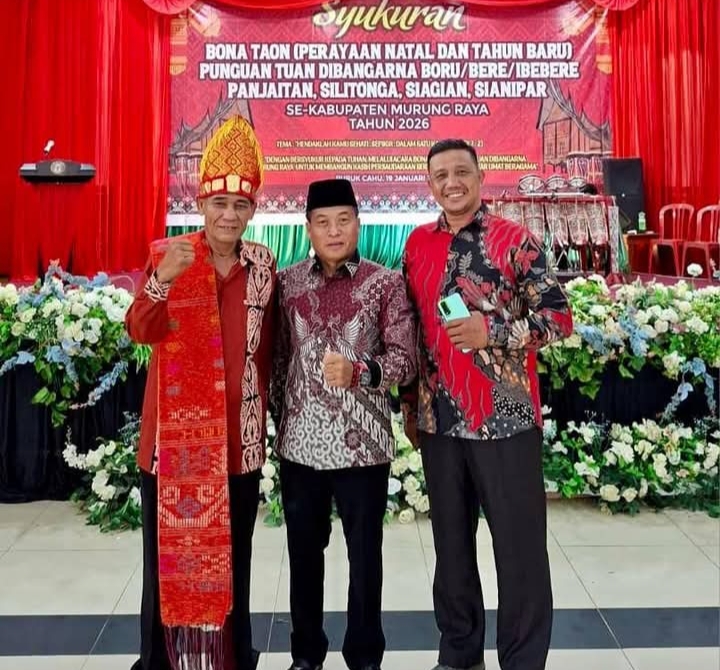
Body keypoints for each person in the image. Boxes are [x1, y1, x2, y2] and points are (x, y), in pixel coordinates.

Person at [402, 139, 573, 670]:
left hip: (505, 422)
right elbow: (413, 331)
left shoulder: (514, 240)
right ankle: (459, 653)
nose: (451, 183)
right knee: (451, 551)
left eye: (461, 172)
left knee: (519, 553)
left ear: (480, 176)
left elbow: (559, 318)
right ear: (429, 184)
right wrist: (410, 406)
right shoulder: (416, 245)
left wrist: (492, 331)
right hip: (439, 421)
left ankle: (522, 660)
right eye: (440, 175)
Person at [125, 115, 276, 670]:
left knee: (234, 565)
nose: (228, 215)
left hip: (238, 447)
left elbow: (269, 350)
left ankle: (229, 659)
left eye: (239, 206)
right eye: (219, 204)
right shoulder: (172, 255)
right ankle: (162, 662)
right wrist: (162, 278)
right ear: (201, 205)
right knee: (166, 567)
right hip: (174, 449)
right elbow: (139, 329)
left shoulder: (262, 266)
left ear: (252, 211)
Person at [270, 178, 417, 670]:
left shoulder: (384, 283)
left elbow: (405, 360)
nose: (334, 231)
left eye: (343, 220)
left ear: (358, 223)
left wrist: (360, 371)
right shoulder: (288, 283)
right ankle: (306, 655)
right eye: (323, 222)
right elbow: (278, 360)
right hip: (301, 448)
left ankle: (365, 656)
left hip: (363, 449)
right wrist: (282, 421)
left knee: (365, 558)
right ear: (307, 228)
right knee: (303, 557)